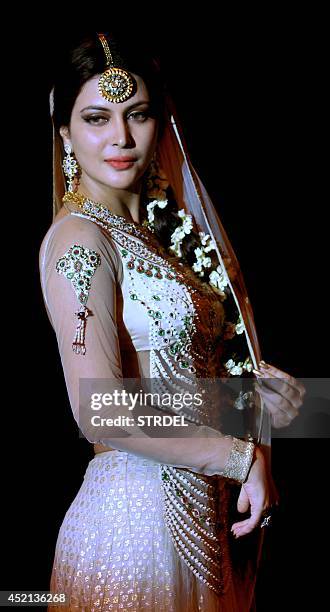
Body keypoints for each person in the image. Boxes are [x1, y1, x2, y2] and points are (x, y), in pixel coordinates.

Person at [39, 31, 305, 611]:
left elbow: (174, 387)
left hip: (200, 521)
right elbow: (98, 409)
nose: (122, 138)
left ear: (161, 120)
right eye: (96, 118)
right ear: (64, 132)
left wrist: (255, 405)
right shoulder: (80, 240)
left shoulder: (163, 241)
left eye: (137, 114)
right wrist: (242, 456)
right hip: (135, 525)